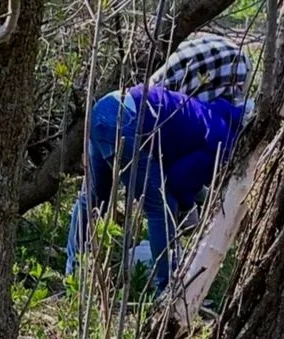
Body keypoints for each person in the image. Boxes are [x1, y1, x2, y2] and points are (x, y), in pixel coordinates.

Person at [64, 67, 245, 290]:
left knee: (93, 199)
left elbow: (172, 163)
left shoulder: (207, 113)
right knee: (160, 207)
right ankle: (167, 289)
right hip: (126, 121)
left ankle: (72, 274)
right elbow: (178, 181)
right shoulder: (222, 141)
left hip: (106, 107)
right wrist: (191, 203)